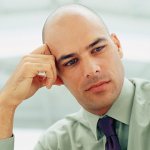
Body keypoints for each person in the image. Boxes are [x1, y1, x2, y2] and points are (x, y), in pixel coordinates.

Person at [0, 4, 150, 150]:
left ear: (117, 46)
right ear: (56, 76)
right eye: (71, 62)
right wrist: (5, 105)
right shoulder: (55, 144)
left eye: (98, 49)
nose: (91, 70)